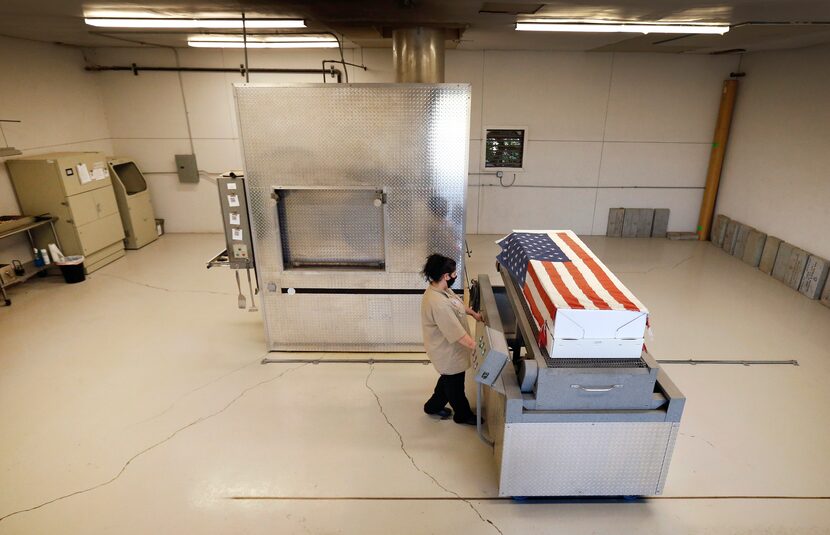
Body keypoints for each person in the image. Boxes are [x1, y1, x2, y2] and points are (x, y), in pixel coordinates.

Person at [420, 253, 482, 425]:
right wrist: (478, 348)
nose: (455, 276)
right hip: (447, 352)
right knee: (455, 388)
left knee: (448, 380)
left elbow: (457, 304)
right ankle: (463, 415)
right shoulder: (438, 304)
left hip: (450, 351)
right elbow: (457, 334)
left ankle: (432, 407)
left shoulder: (442, 290)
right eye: (454, 274)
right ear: (445, 276)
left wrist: (473, 314)